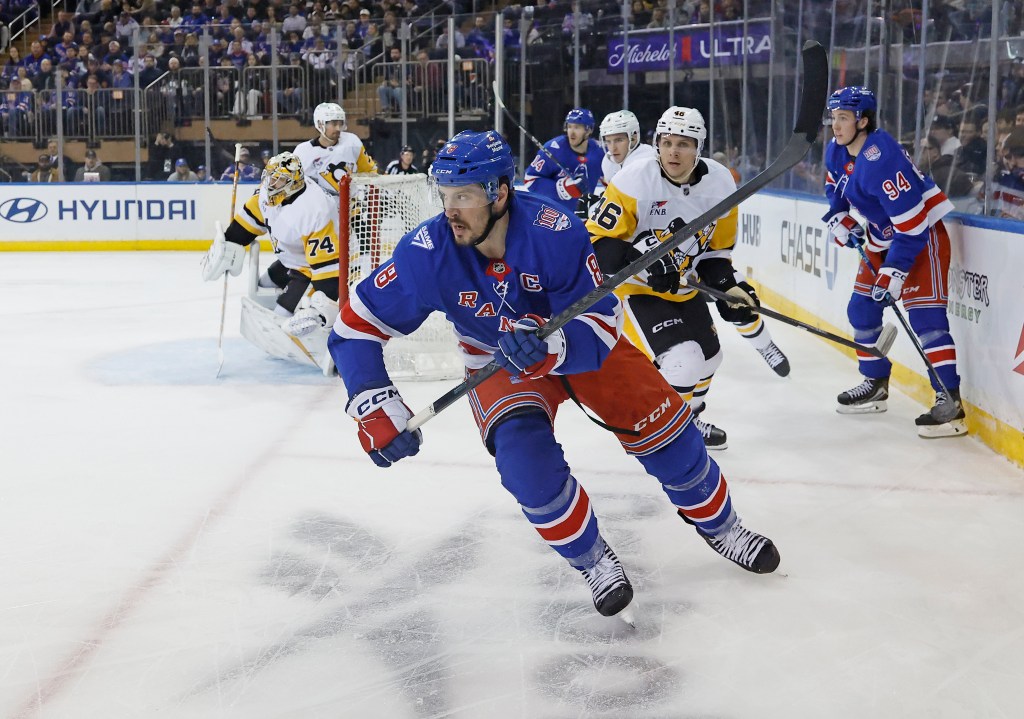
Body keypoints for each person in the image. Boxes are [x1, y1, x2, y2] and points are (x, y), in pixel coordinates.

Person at [326, 130, 779, 622]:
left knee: (667, 429)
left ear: (500, 193)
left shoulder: (554, 229)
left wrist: (553, 345)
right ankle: (592, 561)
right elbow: (353, 329)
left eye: (465, 196)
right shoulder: (426, 253)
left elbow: (604, 320)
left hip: (578, 346)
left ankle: (723, 527)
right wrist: (374, 402)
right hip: (497, 361)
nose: (451, 210)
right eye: (446, 196)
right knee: (526, 466)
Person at [586, 107, 759, 451]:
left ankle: (689, 418)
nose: (673, 152)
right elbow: (599, 245)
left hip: (681, 287)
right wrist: (643, 263)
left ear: (699, 147)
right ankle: (668, 436)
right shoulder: (634, 181)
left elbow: (714, 256)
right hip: (635, 291)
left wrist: (729, 289)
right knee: (683, 362)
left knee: (711, 358)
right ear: (657, 144)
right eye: (666, 143)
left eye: (684, 144)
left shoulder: (721, 183)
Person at [823, 86, 966, 438]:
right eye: (833, 118)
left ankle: (951, 403)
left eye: (843, 118)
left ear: (864, 121)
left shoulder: (881, 158)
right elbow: (834, 184)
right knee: (861, 311)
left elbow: (914, 226)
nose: (835, 126)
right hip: (884, 234)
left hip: (922, 236)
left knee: (927, 320)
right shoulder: (836, 150)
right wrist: (839, 216)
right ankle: (875, 383)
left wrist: (895, 272)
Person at [200, 151, 341, 334]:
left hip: (310, 270)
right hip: (290, 260)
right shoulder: (269, 193)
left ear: (293, 183)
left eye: (278, 180)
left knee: (282, 316)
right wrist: (228, 244)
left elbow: (327, 270)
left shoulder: (316, 211)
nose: (271, 184)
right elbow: (249, 221)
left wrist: (320, 309)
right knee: (262, 288)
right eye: (270, 177)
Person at [523, 107, 605, 219]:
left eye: (577, 127)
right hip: (554, 218)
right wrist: (562, 189)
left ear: (589, 130)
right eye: (569, 126)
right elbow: (530, 180)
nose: (572, 131)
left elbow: (611, 181)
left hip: (586, 219)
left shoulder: (599, 151)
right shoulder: (553, 149)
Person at [292, 102, 379, 195]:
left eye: (340, 123)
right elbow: (296, 186)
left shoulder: (352, 142)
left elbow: (370, 171)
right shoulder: (302, 152)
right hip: (322, 207)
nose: (338, 128)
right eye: (333, 124)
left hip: (353, 205)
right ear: (320, 124)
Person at [598, 109, 656, 185]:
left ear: (634, 138)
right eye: (608, 141)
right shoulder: (608, 161)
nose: (612, 148)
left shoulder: (650, 160)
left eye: (619, 140)